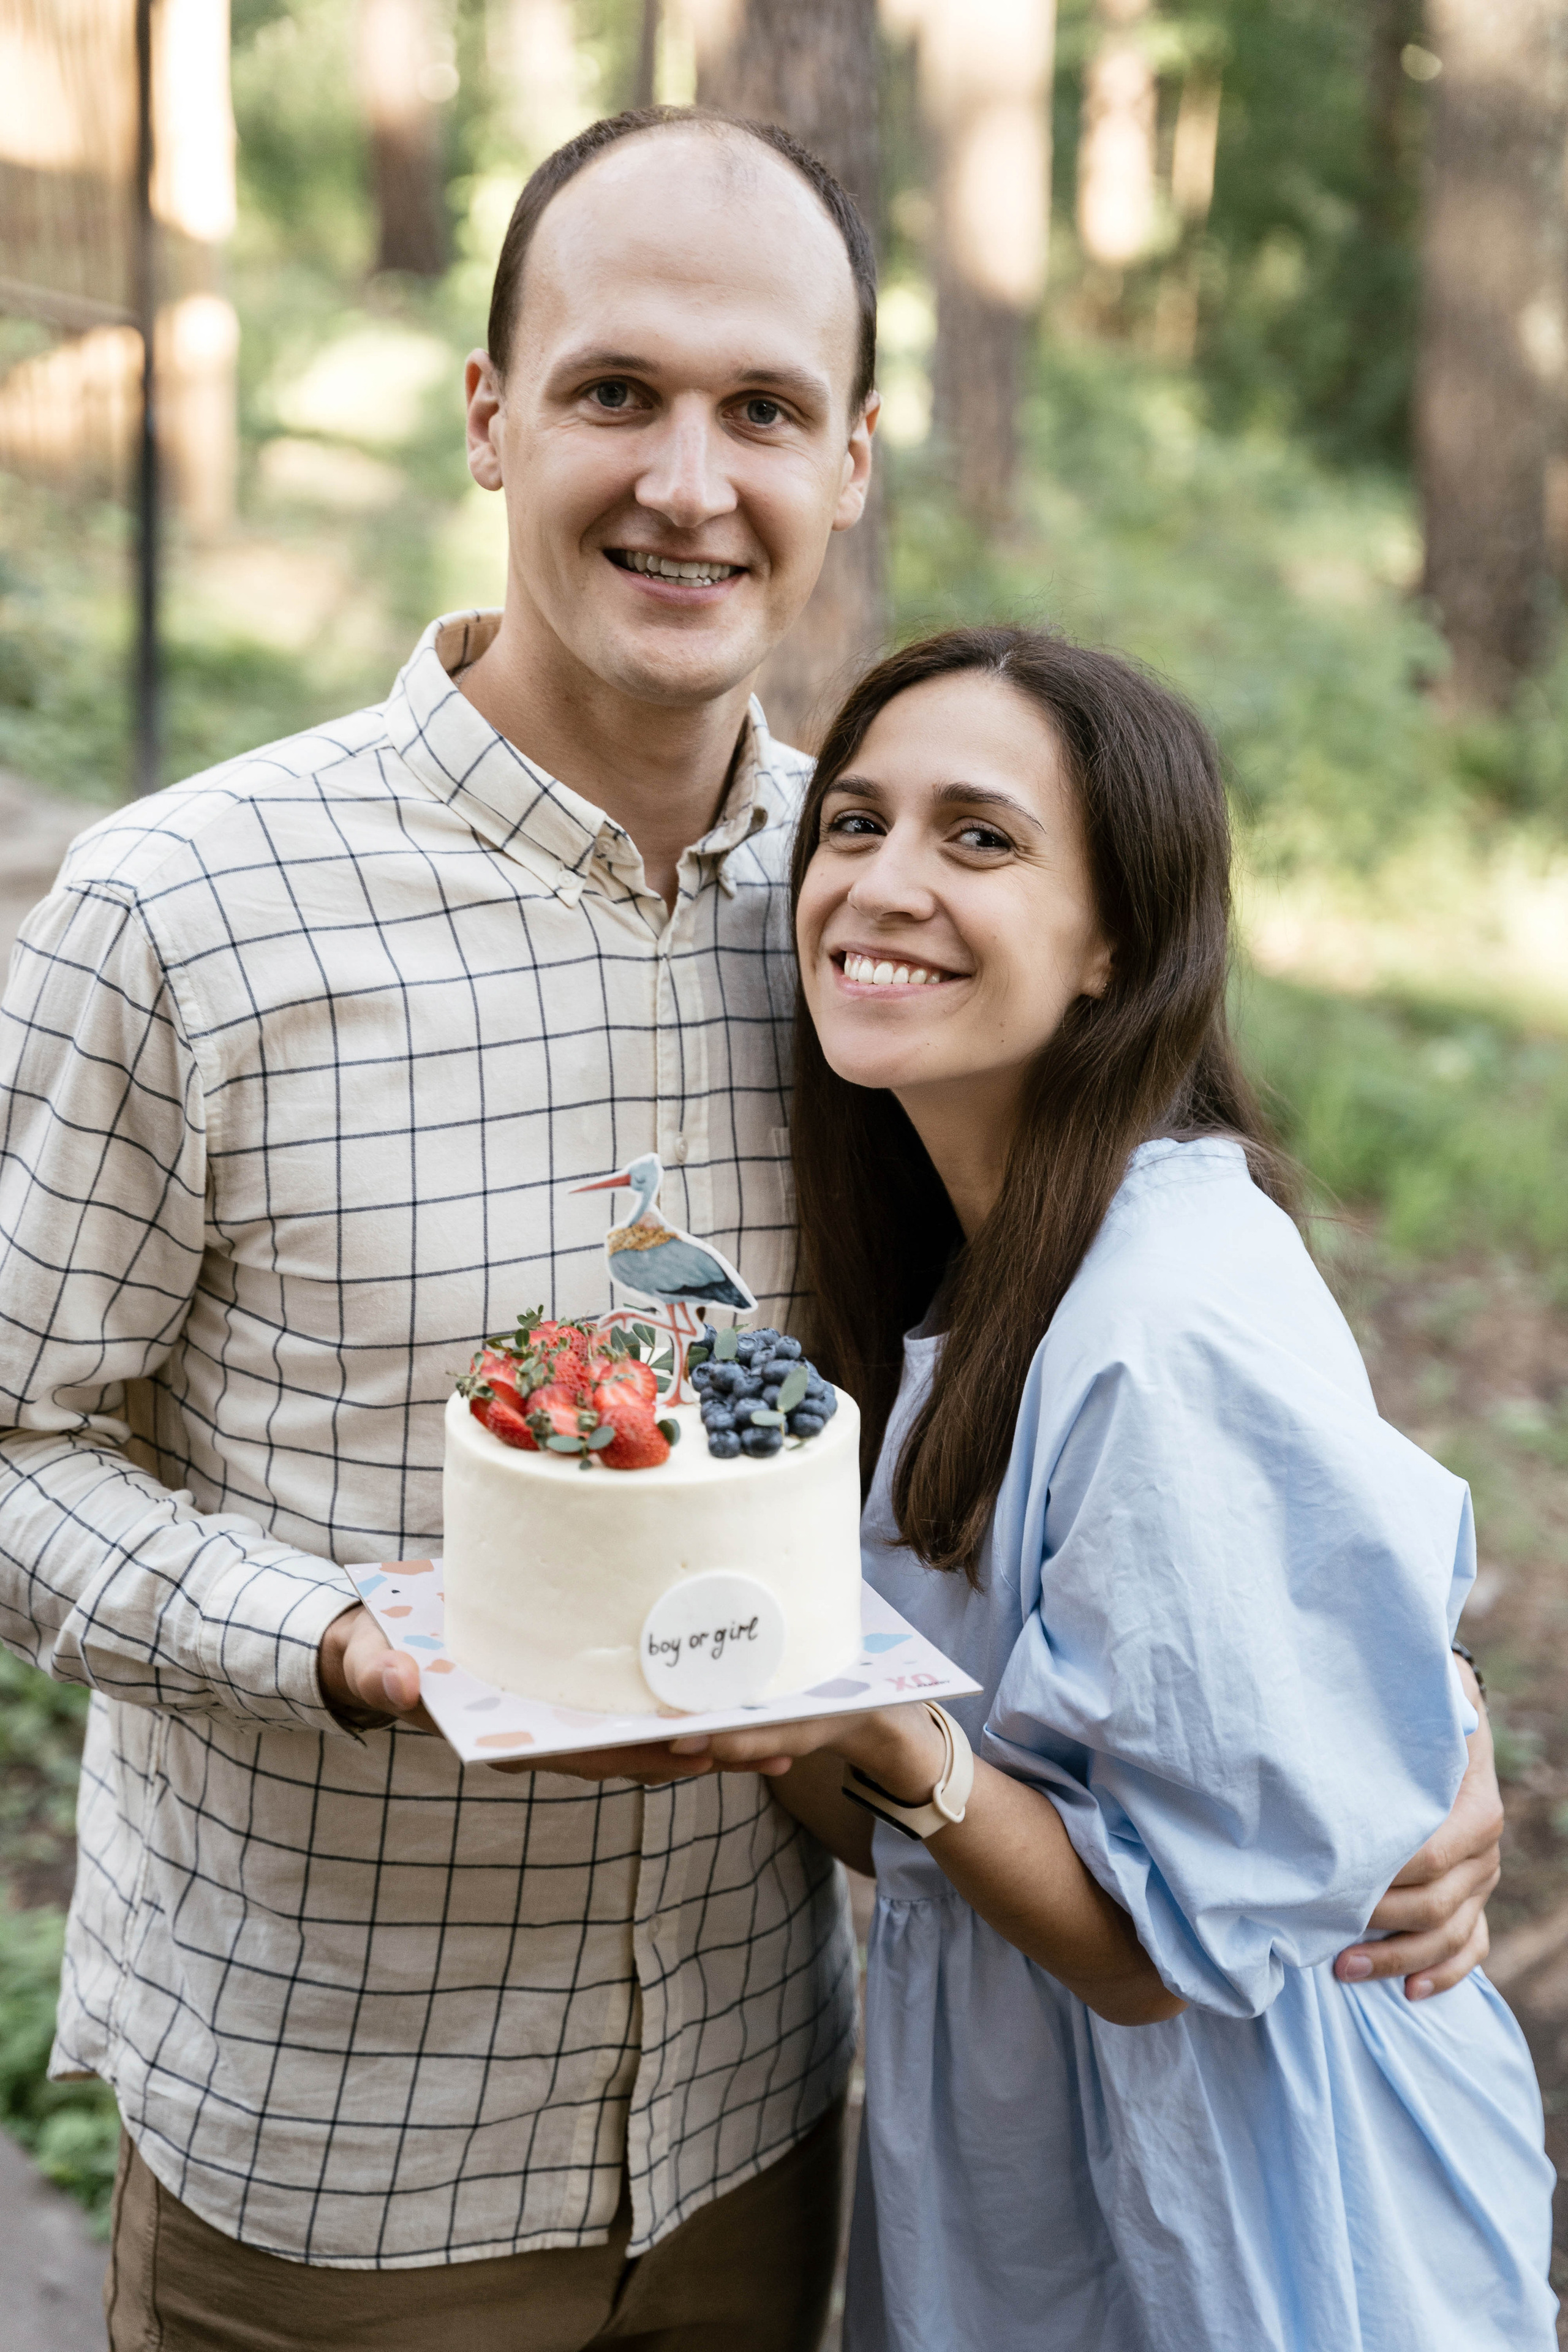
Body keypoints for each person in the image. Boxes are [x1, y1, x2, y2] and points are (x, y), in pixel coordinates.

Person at [0, 104, 1499, 2349]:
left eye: (765, 411)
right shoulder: (182, 913)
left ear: (854, 462)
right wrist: (343, 1640)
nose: (690, 482)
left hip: (771, 2126)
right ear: (493, 416)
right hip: (344, 2152)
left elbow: (1151, 1381)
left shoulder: (891, 921)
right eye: (616, 391)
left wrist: (1422, 1726)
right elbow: (21, 1453)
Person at [670, 627, 1554, 2351]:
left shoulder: (1163, 1319)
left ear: (1115, 946)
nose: (883, 884)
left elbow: (1153, 1954)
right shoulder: (967, 1265)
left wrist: (869, 1710)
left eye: (978, 838)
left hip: (1254, 2195)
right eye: (852, 825)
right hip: (1036, 2158)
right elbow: (919, 1829)